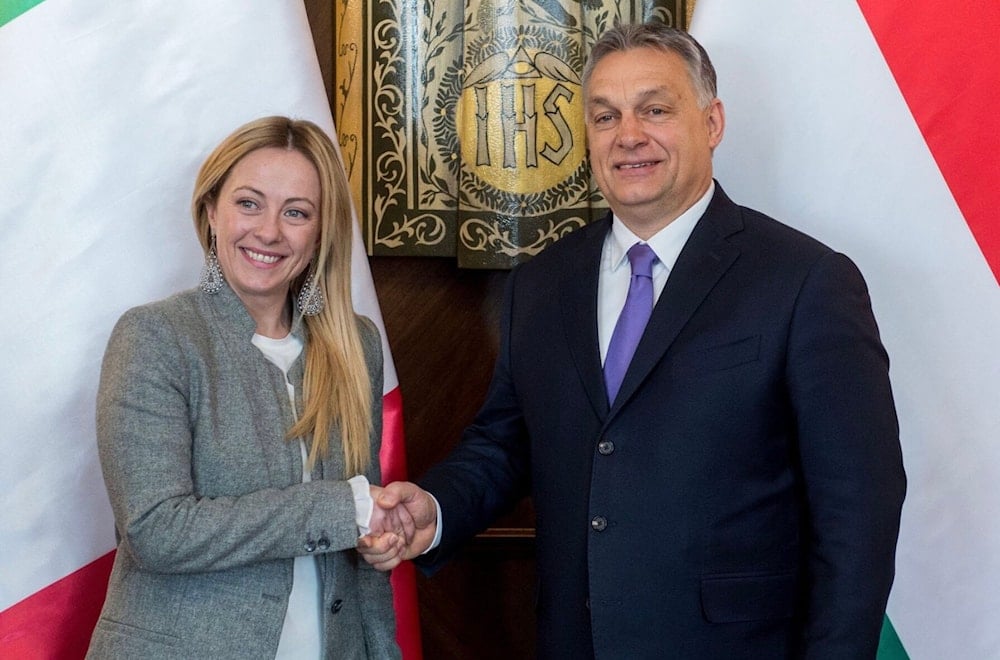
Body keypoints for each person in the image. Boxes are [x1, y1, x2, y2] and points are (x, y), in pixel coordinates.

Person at [358, 22, 906, 659]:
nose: (629, 136)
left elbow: (859, 511)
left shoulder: (806, 281)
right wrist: (436, 508)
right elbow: (505, 442)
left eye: (655, 109)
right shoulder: (540, 285)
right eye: (605, 115)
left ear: (712, 122)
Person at [87, 116, 402, 659]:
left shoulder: (357, 345)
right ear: (212, 212)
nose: (269, 231)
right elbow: (155, 529)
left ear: (322, 230)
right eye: (248, 203)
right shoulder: (155, 337)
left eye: (296, 212)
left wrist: (376, 543)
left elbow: (360, 545)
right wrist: (342, 508)